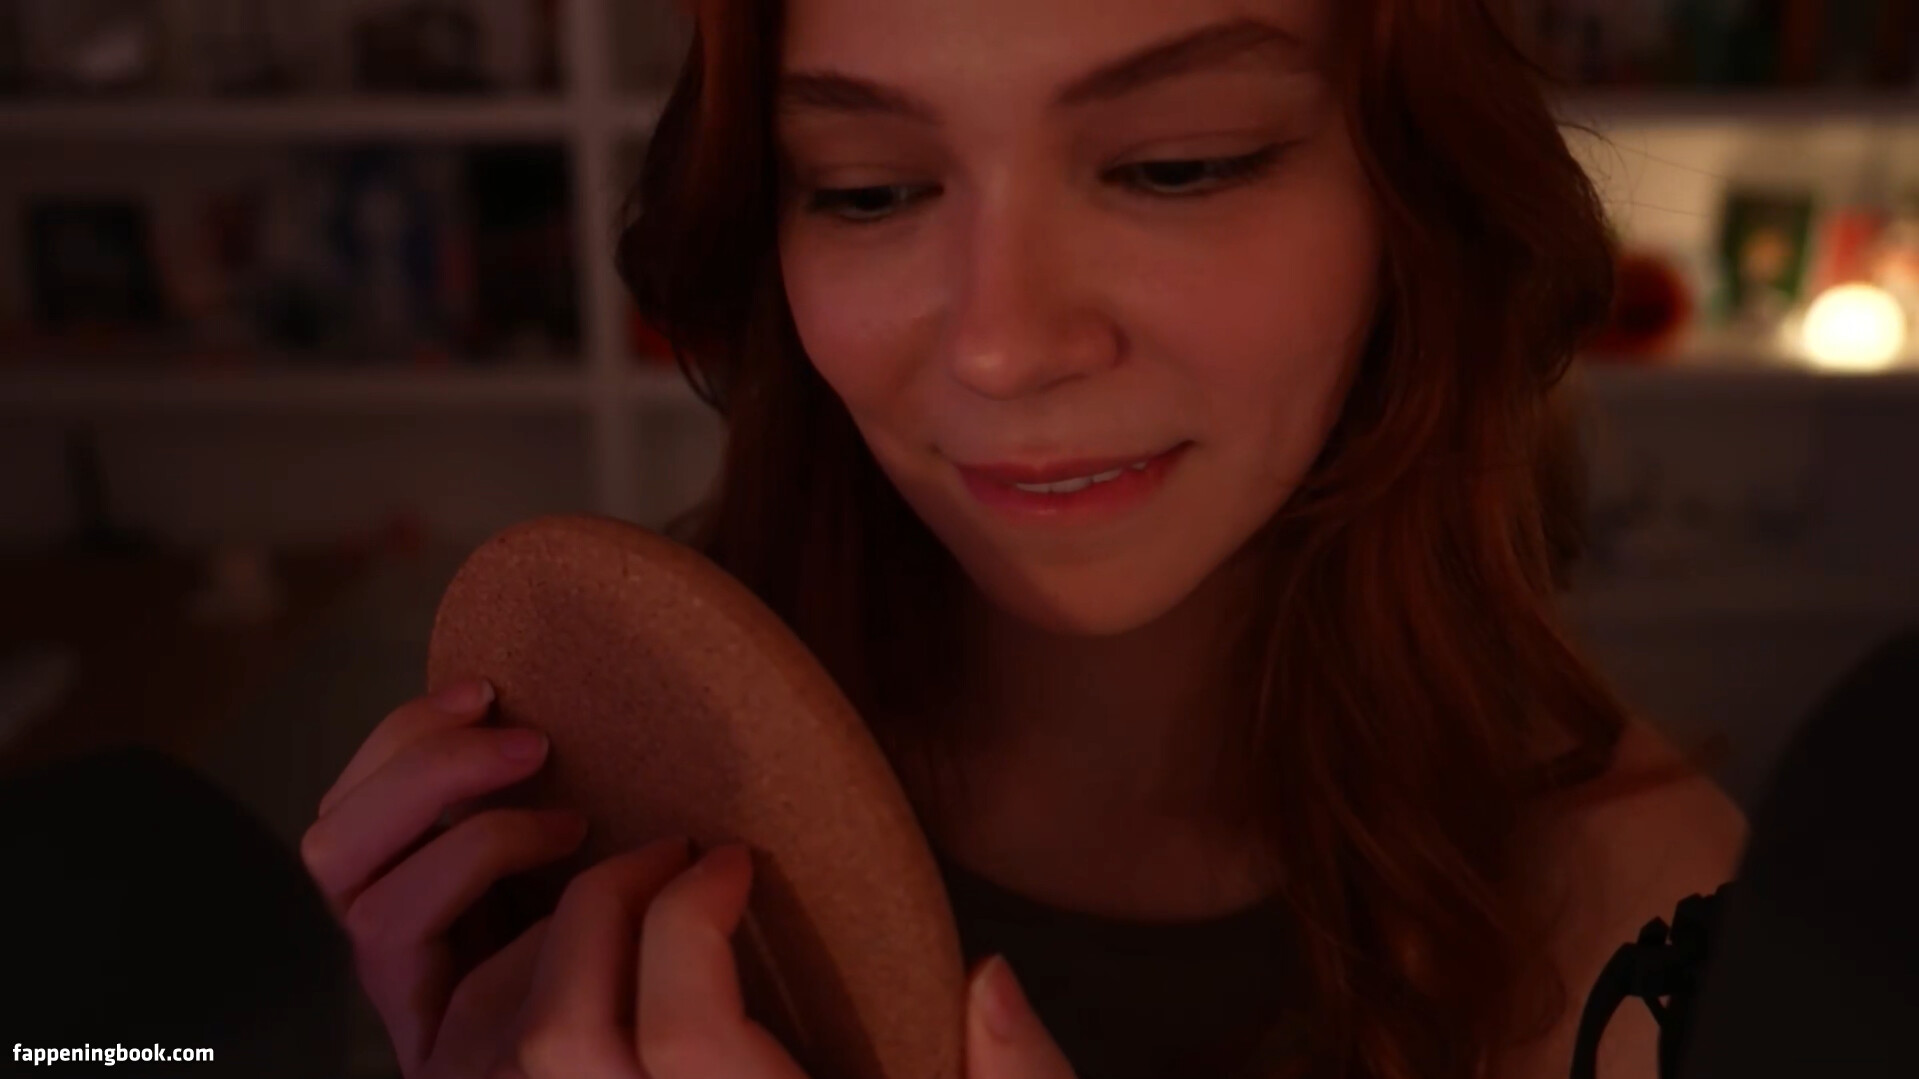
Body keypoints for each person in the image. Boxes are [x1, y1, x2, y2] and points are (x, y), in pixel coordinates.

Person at [298, 1, 1750, 1077]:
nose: (1001, 346)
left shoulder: (1658, 934)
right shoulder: (617, 782)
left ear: (1414, 193)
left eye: (1179, 166)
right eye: (866, 188)